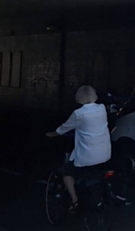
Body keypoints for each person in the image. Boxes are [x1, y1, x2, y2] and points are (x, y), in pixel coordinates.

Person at [46, 85, 112, 213]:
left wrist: (51, 134)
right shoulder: (102, 108)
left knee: (66, 172)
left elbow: (63, 129)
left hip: (87, 155)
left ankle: (75, 200)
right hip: (104, 153)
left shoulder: (78, 114)